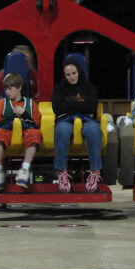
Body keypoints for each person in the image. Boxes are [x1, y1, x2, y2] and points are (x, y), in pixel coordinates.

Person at [51, 54, 103, 193]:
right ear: (64, 75)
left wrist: (69, 104)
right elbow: (57, 108)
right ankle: (61, 172)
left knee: (93, 129)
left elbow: (92, 107)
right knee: (62, 130)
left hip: (86, 120)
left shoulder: (89, 87)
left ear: (79, 72)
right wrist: (81, 105)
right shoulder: (59, 88)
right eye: (68, 75)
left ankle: (95, 172)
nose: (72, 77)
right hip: (65, 119)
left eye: (74, 73)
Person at [0, 72, 42, 191]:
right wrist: (11, 117)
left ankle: (24, 169)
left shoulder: (30, 103)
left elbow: (36, 123)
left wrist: (24, 114)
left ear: (19, 88)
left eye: (10, 88)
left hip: (26, 133)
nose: (7, 92)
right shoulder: (2, 103)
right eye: (5, 89)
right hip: (8, 133)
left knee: (35, 134)